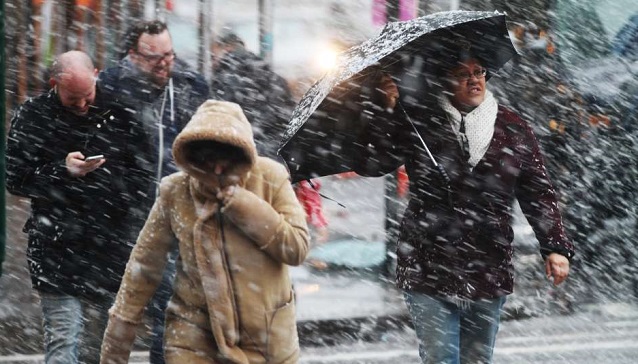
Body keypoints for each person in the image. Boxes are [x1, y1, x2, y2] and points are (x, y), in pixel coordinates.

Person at [359, 47, 575, 364]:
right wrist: (385, 110)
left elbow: (537, 191)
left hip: (488, 264)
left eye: (479, 72)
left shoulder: (512, 126)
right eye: (463, 74)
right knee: (440, 358)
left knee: (477, 360)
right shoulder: (419, 120)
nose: (474, 80)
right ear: (444, 81)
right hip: (428, 265)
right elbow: (372, 162)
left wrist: (555, 246)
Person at [99, 100, 310, 364]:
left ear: (242, 154)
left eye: (226, 160)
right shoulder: (174, 191)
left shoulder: (270, 177)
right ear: (193, 158)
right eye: (208, 161)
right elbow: (143, 266)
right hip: (192, 333)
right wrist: (115, 350)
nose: (218, 170)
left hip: (264, 336)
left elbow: (296, 247)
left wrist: (244, 206)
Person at [5, 50, 149, 364]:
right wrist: (61, 170)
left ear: (97, 74)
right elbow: (15, 179)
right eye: (73, 99)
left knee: (106, 347)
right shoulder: (33, 116)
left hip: (108, 246)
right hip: (56, 244)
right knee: (63, 339)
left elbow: (143, 176)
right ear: (55, 84)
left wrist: (110, 181)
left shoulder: (121, 112)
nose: (83, 105)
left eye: (88, 95)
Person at [98, 20, 210, 364]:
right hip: (127, 214)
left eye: (169, 56)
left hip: (177, 212)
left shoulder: (189, 85)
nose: (164, 65)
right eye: (154, 59)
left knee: (168, 306)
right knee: (119, 307)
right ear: (133, 55)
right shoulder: (110, 89)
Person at [211, 31, 296, 160]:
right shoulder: (271, 75)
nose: (212, 62)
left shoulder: (223, 79)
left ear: (227, 49)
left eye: (213, 56)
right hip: (276, 159)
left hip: (241, 159)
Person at [294, 179, 330, 269]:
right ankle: (310, 258)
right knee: (318, 232)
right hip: (308, 205)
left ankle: (311, 257)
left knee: (320, 232)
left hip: (312, 206)